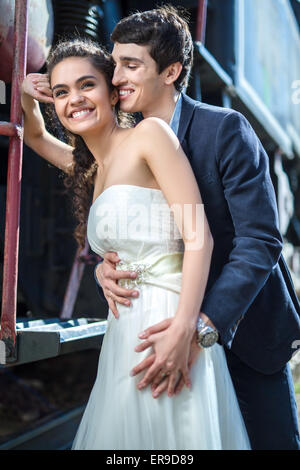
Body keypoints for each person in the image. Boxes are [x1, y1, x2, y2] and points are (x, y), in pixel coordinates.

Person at [21, 39, 251, 449]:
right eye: (61, 92)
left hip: (168, 321)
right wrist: (25, 91)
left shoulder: (150, 135)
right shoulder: (93, 170)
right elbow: (36, 138)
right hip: (124, 331)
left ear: (113, 92)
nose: (74, 99)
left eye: (86, 85)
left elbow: (199, 236)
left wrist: (186, 330)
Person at [94, 6, 300, 450]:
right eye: (115, 64)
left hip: (240, 333)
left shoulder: (225, 129)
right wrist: (104, 266)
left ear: (171, 71)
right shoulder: (126, 144)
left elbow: (260, 240)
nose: (116, 78)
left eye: (131, 65)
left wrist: (201, 327)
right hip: (159, 329)